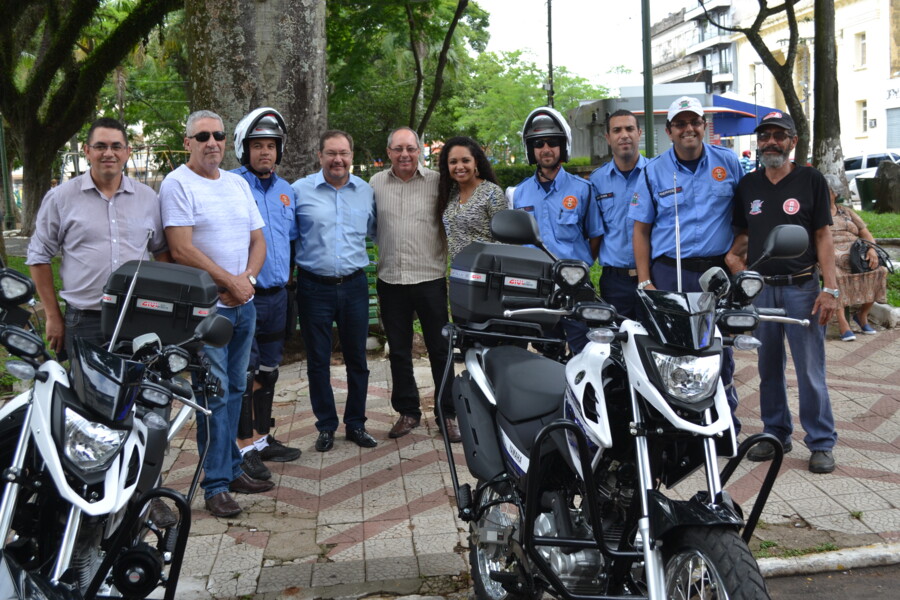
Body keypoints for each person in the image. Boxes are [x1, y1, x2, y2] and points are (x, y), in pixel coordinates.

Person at [160, 110, 273, 518]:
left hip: (244, 305)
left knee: (237, 389)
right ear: (187, 142)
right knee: (214, 394)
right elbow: (181, 249)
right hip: (207, 311)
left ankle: (232, 467)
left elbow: (258, 240)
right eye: (202, 136)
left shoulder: (237, 184)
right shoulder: (177, 184)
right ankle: (216, 484)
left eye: (218, 135)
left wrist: (247, 280)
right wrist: (227, 282)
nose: (212, 142)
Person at [726, 110, 839, 474]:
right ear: (757, 142)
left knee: (809, 370)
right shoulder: (748, 186)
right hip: (762, 291)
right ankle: (776, 433)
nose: (770, 142)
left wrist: (831, 289)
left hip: (802, 289)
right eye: (764, 136)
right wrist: (733, 257)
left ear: (792, 141)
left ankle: (821, 441)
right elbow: (744, 235)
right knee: (767, 366)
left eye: (779, 135)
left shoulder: (810, 180)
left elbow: (823, 235)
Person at [629, 96, 743, 426]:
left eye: (694, 122)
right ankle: (675, 422)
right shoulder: (653, 172)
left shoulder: (729, 163)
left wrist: (736, 257)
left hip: (714, 274)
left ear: (704, 126)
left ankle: (724, 422)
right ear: (669, 131)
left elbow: (742, 219)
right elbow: (641, 230)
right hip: (669, 272)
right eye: (680, 124)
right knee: (670, 349)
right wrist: (644, 280)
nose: (688, 129)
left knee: (718, 348)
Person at [27, 117, 169, 358]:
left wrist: (163, 308)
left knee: (138, 392)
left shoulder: (148, 198)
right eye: (100, 146)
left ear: (127, 152)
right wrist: (53, 316)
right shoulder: (60, 198)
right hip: (85, 320)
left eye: (116, 147)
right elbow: (38, 257)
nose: (108, 153)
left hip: (138, 318)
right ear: (87, 151)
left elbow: (162, 252)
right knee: (87, 394)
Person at [369, 127, 461, 442]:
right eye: (398, 149)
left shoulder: (438, 183)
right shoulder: (375, 184)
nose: (405, 154)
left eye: (410, 148)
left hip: (430, 280)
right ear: (389, 152)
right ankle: (407, 411)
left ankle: (446, 414)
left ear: (420, 150)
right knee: (399, 351)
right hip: (391, 280)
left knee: (440, 349)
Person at [293, 130, 378, 452]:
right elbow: (289, 236)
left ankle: (356, 424)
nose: (338, 159)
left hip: (354, 285)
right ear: (320, 156)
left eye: (343, 153)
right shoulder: (299, 191)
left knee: (358, 358)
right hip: (314, 286)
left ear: (352, 156)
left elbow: (373, 231)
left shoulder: (366, 192)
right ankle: (326, 426)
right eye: (331, 153)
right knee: (318, 361)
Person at [230, 107, 302, 481]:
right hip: (244, 297)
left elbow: (290, 242)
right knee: (243, 372)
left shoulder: (287, 191)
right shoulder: (231, 185)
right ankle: (242, 448)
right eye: (258, 146)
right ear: (245, 148)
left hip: (278, 296)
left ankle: (261, 439)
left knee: (269, 370)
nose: (265, 153)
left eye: (271, 146)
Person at [512, 106, 601, 353]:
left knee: (584, 350)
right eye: (538, 143)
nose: (546, 149)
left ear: (563, 146)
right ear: (531, 150)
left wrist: (579, 268)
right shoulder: (520, 193)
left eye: (552, 142)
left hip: (576, 287)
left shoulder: (583, 189)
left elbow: (595, 236)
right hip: (537, 287)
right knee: (546, 351)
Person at [588, 110, 648, 319]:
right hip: (615, 282)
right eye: (617, 130)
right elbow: (594, 232)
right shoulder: (596, 181)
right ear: (608, 138)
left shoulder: (655, 173)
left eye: (630, 129)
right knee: (616, 343)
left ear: (639, 133)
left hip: (651, 277)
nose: (624, 135)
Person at [823, 173, 886, 341]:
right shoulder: (816, 213)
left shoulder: (846, 212)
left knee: (879, 271)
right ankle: (843, 324)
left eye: (826, 190)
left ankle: (862, 315)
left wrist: (871, 249)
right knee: (836, 277)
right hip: (829, 256)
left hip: (856, 254)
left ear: (835, 193)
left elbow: (864, 232)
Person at [438, 136, 507, 260]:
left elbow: (504, 240)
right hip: (459, 272)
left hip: (486, 272)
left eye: (465, 160)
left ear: (476, 162)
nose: (459, 167)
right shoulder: (450, 193)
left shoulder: (492, 192)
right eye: (453, 162)